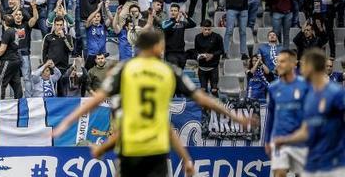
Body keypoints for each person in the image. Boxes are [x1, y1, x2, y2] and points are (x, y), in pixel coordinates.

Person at [51, 29, 252, 177]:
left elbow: (95, 100)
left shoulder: (126, 69)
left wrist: (67, 123)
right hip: (155, 150)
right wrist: (233, 116)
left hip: (130, 150)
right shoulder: (169, 71)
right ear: (157, 47)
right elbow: (201, 99)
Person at [273, 48, 345, 177]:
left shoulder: (336, 93)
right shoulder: (308, 96)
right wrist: (285, 140)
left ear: (311, 66)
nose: (301, 69)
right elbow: (306, 131)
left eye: (304, 64)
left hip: (334, 165)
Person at [264, 49, 309, 177]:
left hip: (301, 141)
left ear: (293, 64)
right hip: (279, 140)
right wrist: (267, 140)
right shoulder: (273, 88)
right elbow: (271, 115)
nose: (278, 64)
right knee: (279, 174)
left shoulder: (305, 86)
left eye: (282, 61)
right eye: (277, 61)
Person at [0, 14, 23, 99]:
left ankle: (1, 104)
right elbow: (11, 46)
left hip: (8, 60)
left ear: (3, 22)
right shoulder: (16, 31)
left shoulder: (7, 32)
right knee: (16, 83)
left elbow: (3, 49)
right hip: (16, 60)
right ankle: (19, 103)